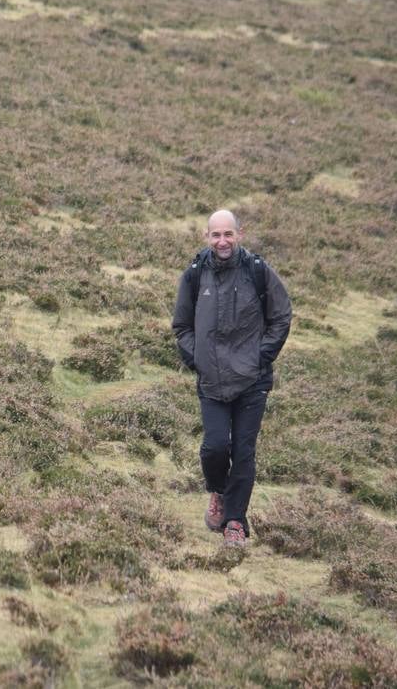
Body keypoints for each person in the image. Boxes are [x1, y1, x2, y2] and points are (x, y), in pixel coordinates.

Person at [171, 209, 292, 548]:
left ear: (240, 234)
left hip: (252, 382)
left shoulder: (257, 271)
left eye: (228, 234)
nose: (222, 241)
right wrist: (199, 360)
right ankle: (219, 492)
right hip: (212, 382)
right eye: (215, 235)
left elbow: (282, 316)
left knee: (242, 452)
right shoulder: (194, 277)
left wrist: (259, 357)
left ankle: (234, 522)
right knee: (214, 447)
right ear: (206, 237)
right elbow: (181, 326)